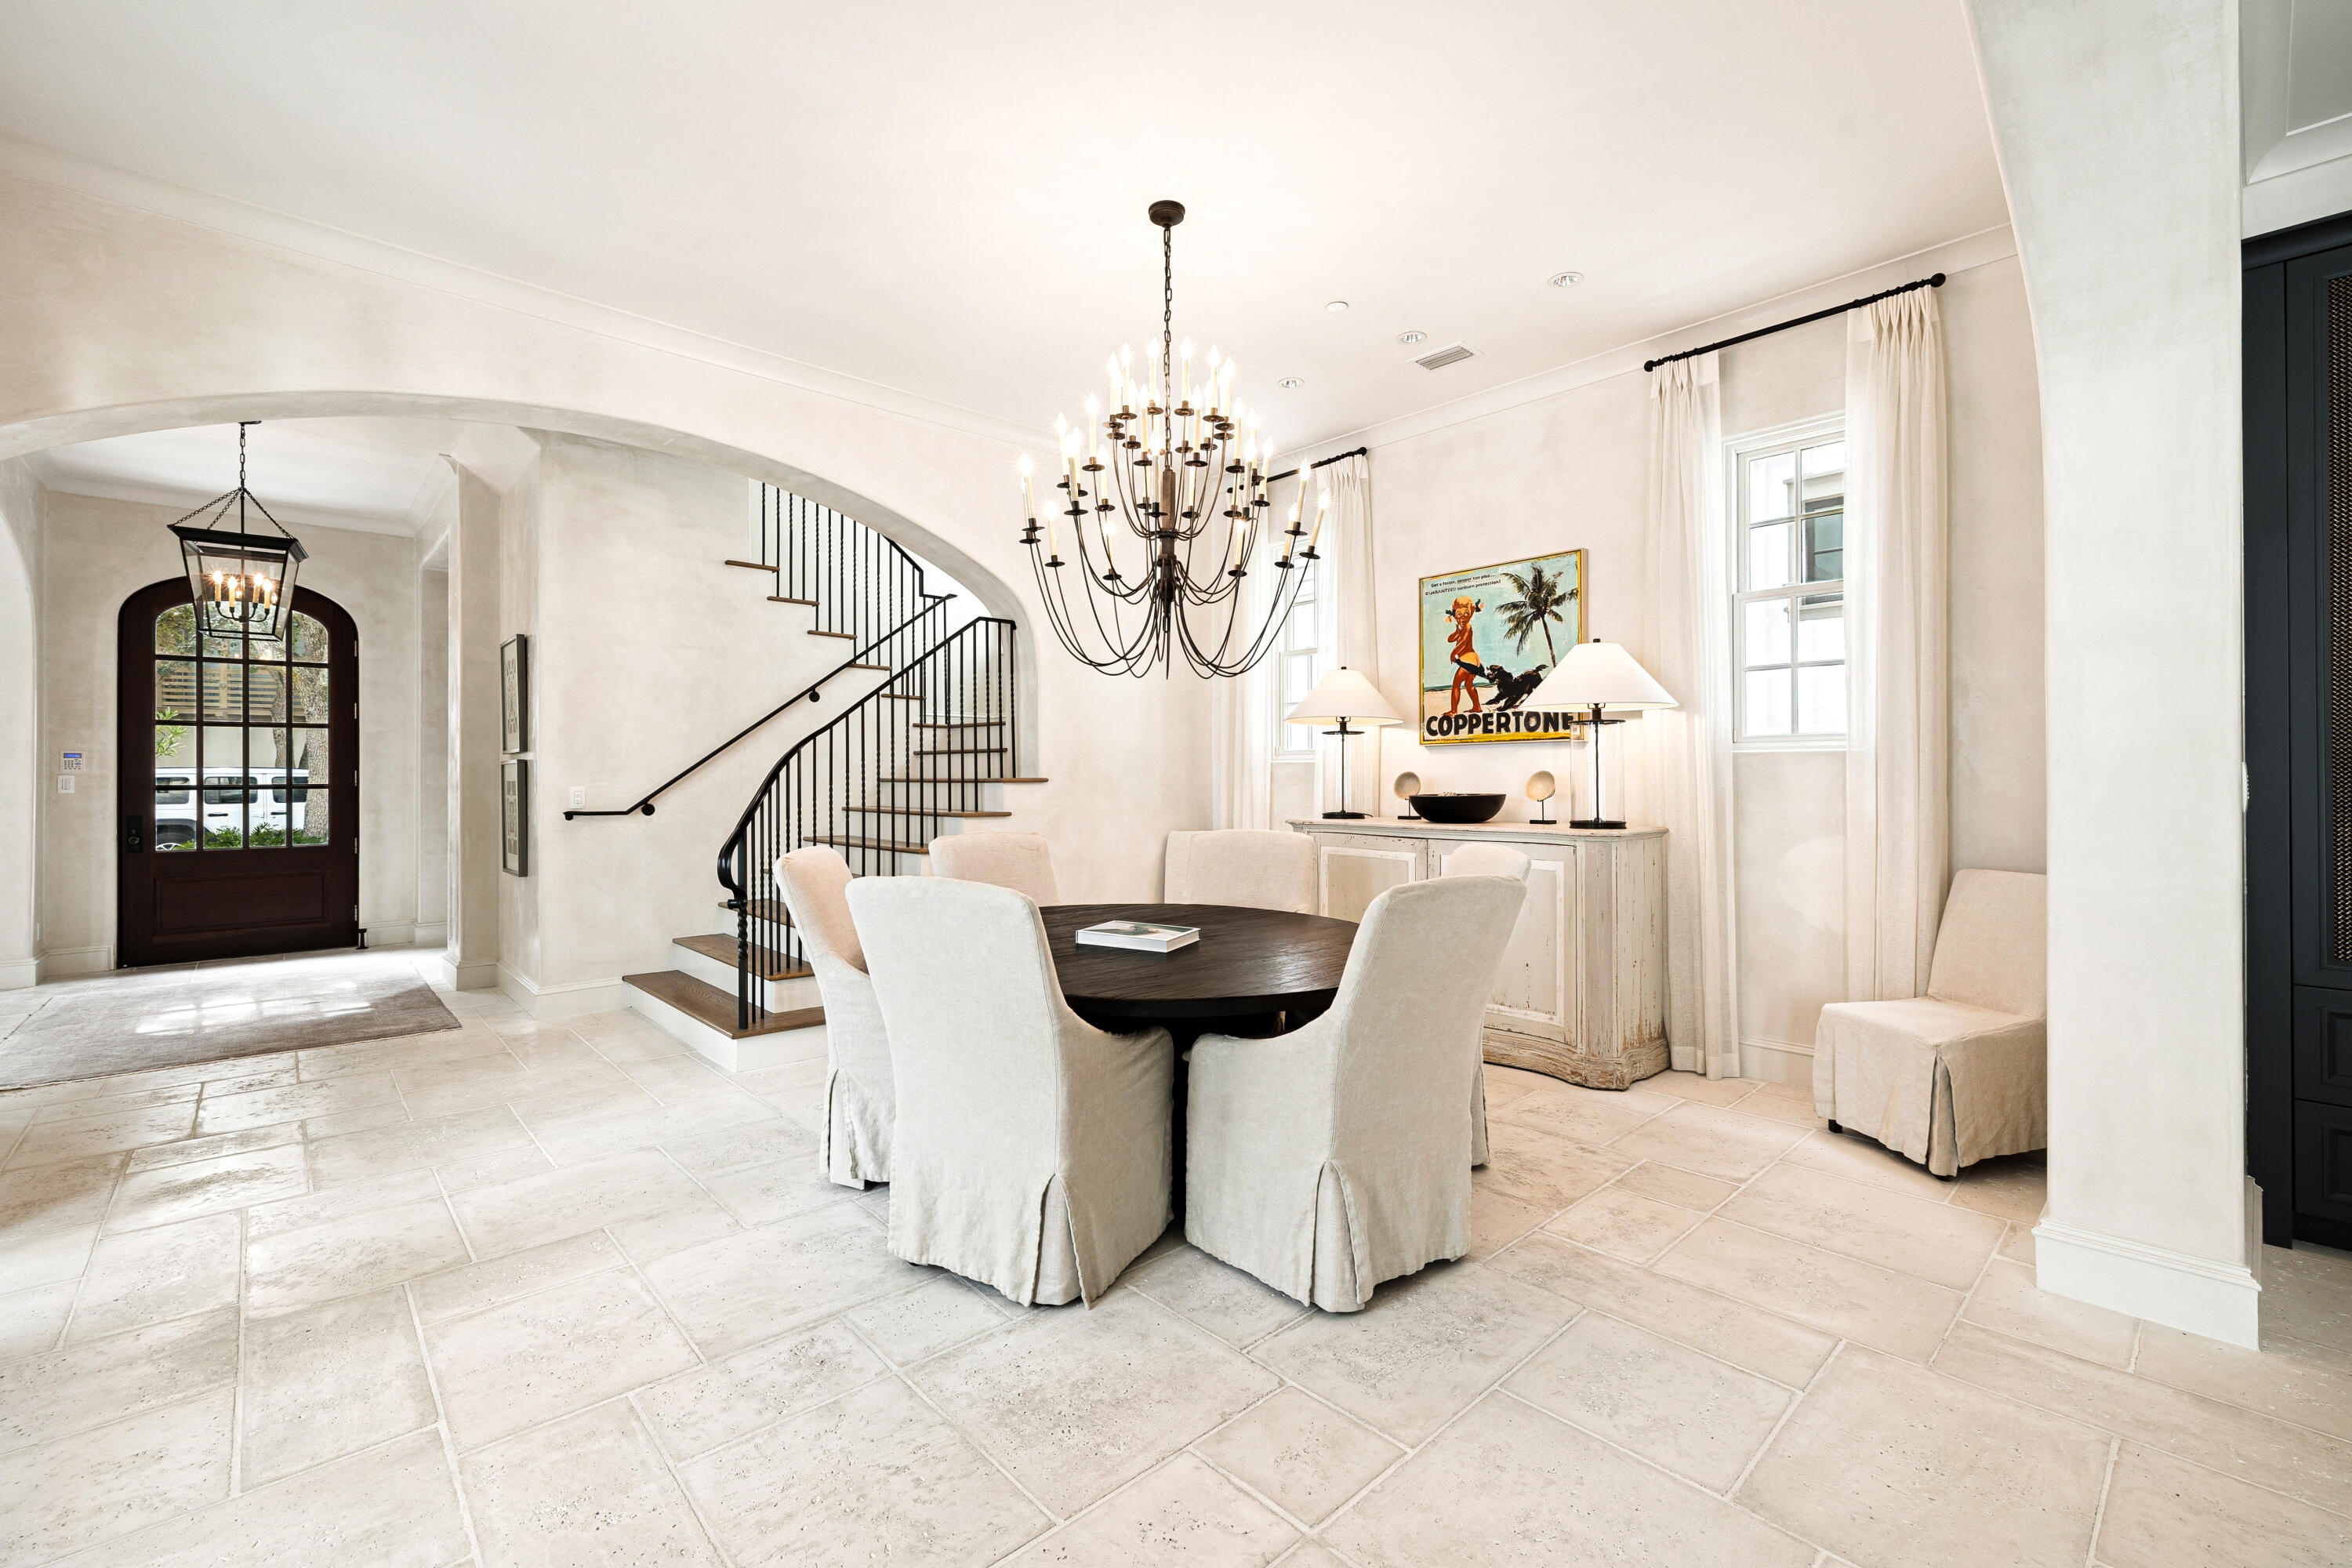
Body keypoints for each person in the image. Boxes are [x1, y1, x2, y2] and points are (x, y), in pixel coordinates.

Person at [1445, 595, 1485, 714]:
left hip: (1469, 660)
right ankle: (1477, 707)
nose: (1462, 617)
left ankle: (1453, 711)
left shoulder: (1467, 626)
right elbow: (1450, 639)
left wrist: (1453, 653)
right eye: (1459, 614)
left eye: (1466, 614)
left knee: (1456, 684)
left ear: (1471, 614)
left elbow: (1463, 642)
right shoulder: (1462, 628)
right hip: (1474, 661)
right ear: (1455, 615)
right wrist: (1457, 631)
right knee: (1468, 684)